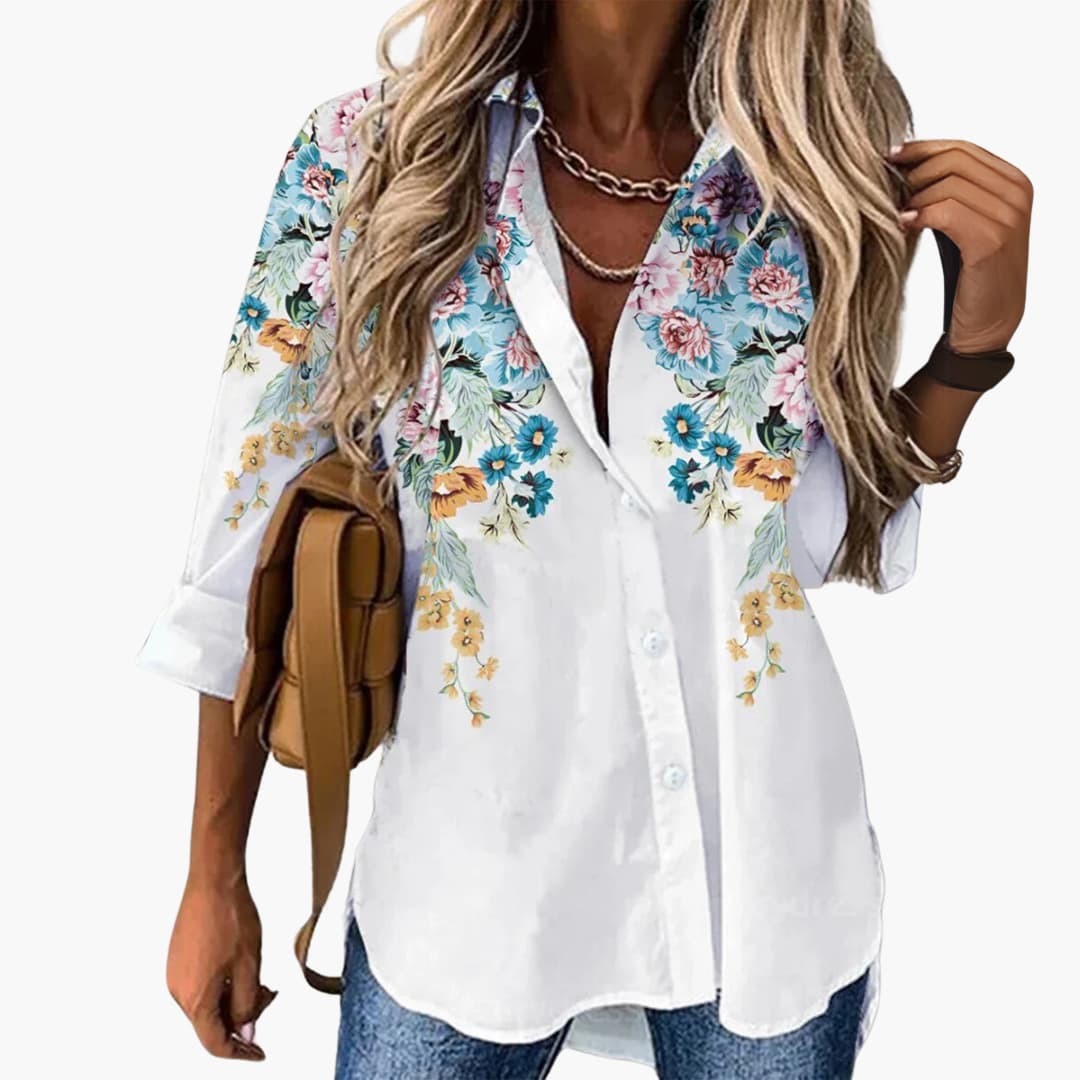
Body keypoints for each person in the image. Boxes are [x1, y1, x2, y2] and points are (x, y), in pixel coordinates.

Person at [134, 1, 1031, 1076]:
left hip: (765, 883)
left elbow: (829, 537)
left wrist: (974, 347)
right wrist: (213, 873)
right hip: (468, 892)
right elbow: (245, 545)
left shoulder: (811, 170)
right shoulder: (361, 161)